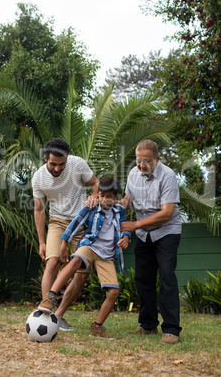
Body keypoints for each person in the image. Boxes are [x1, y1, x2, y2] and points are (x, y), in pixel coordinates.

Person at [39, 177, 130, 339]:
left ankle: (97, 327)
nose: (104, 200)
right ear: (98, 194)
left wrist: (126, 237)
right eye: (102, 195)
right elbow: (74, 224)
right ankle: (50, 297)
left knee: (114, 292)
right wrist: (63, 246)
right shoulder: (91, 208)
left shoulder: (119, 210)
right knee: (76, 261)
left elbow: (124, 227)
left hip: (107, 255)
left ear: (115, 198)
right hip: (90, 246)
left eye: (109, 197)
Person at [32, 138, 98, 330]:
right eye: (53, 164)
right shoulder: (38, 178)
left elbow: (96, 184)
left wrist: (94, 195)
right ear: (45, 158)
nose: (57, 169)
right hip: (57, 222)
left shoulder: (77, 164)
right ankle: (46, 313)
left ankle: (59, 315)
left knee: (83, 272)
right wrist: (42, 242)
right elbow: (39, 210)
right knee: (52, 261)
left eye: (62, 164)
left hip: (81, 222)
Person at [120, 139, 182, 344]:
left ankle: (171, 329)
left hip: (166, 232)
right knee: (143, 278)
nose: (141, 165)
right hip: (144, 234)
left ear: (157, 159)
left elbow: (166, 213)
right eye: (138, 160)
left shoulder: (168, 176)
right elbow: (128, 202)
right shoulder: (133, 174)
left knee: (166, 276)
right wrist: (112, 202)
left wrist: (134, 225)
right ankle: (148, 325)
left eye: (146, 161)